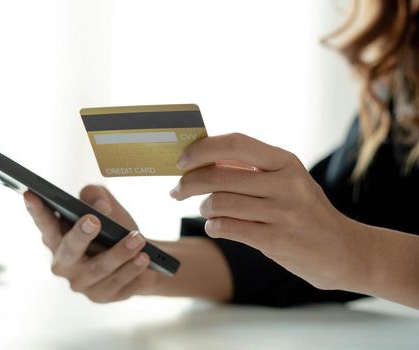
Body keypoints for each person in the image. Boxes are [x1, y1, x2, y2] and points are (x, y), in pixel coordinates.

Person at [23, 0, 419, 309]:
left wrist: (355, 253)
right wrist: (145, 266)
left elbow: (349, 252)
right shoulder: (405, 65)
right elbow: (315, 255)